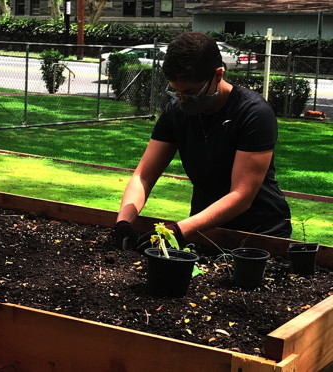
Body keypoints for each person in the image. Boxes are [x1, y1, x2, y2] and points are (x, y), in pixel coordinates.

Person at [114, 32, 291, 251]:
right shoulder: (176, 112)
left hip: (259, 236)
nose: (183, 99)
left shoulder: (253, 113)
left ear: (218, 75)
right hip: (203, 232)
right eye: (176, 91)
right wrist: (123, 222)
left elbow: (241, 195)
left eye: (190, 92)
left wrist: (177, 230)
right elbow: (144, 176)